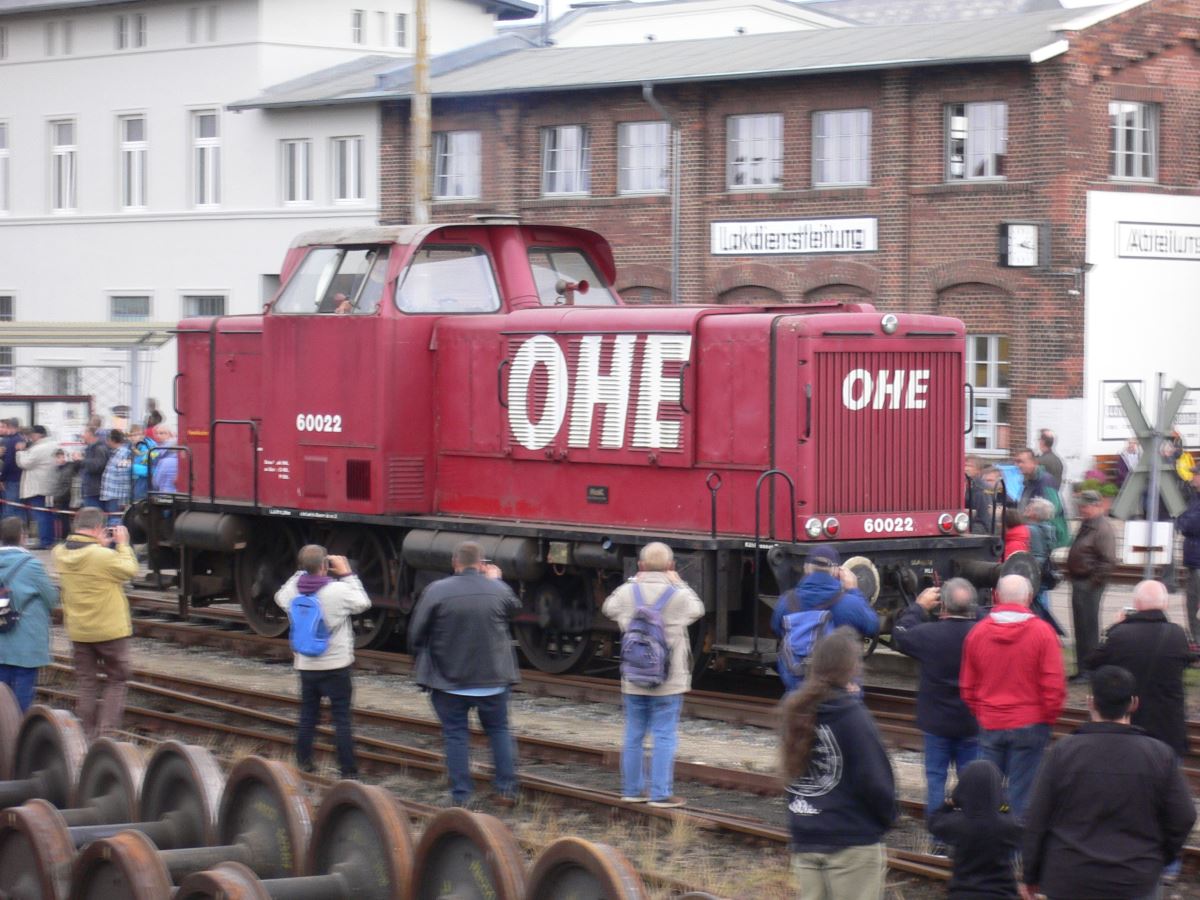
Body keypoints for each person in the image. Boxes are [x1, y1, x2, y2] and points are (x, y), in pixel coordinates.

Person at [1021, 666, 1196, 900]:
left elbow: (1036, 818)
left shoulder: (1063, 752)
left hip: (1069, 877)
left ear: (1091, 702)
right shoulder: (1160, 755)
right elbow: (1184, 816)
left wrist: (1030, 875)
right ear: (1133, 703)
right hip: (1135, 880)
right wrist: (1158, 857)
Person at [780, 627, 896, 900]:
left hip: (806, 835)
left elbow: (792, 773)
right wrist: (887, 819)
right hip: (850, 839)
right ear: (852, 667)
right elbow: (876, 781)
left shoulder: (795, 709)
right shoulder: (852, 715)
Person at [408, 541, 522, 807]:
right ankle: (506, 790)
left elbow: (416, 634)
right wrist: (497, 581)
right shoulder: (498, 589)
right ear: (482, 564)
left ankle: (462, 795)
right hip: (493, 680)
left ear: (454, 563)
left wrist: (420, 660)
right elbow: (515, 610)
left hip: (448, 680)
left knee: (455, 735)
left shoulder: (436, 590)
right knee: (499, 730)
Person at [602, 541, 705, 808]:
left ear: (641, 565)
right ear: (671, 566)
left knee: (634, 734)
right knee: (664, 736)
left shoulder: (628, 591)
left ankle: (632, 790)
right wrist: (679, 582)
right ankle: (660, 794)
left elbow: (608, 608)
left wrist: (632, 581)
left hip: (634, 677)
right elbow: (698, 609)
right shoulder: (678, 594)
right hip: (668, 680)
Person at [960, 573, 1065, 821]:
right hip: (1030, 723)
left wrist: (983, 712)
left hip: (991, 721)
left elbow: (967, 686)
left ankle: (986, 838)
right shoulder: (1043, 633)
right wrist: (1046, 719)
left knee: (986, 793)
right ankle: (1016, 841)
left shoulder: (978, 633)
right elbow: (1054, 685)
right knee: (1022, 795)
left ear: (996, 596)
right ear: (1029, 597)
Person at [273, 544, 371, 778]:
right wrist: (347, 573)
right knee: (341, 719)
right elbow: (363, 602)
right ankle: (348, 771)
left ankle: (304, 763)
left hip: (307, 666)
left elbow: (279, 596)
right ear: (325, 565)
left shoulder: (292, 591)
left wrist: (301, 570)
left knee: (308, 716)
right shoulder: (338, 591)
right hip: (337, 666)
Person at [891, 578, 979, 831]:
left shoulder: (928, 634)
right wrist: (972, 607)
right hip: (971, 721)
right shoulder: (982, 633)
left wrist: (918, 607)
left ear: (943, 606)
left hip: (936, 722)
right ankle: (970, 833)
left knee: (936, 780)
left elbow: (900, 633)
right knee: (972, 781)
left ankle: (937, 837)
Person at [52, 507, 138, 740]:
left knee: (87, 682)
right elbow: (130, 570)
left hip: (79, 631)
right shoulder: (102, 556)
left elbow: (87, 556)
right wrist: (123, 545)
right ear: (99, 528)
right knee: (117, 679)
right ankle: (106, 736)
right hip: (110, 631)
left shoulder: (59, 552)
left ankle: (87, 735)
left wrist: (99, 545)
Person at [1087, 580, 1191, 757]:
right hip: (1168, 729)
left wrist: (1116, 626)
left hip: (1129, 726)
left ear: (1136, 604)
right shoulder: (1178, 635)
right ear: (1165, 604)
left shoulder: (1120, 634)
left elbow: (1092, 662)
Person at [770, 543, 878, 690]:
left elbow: (777, 629)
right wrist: (854, 590)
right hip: (840, 690)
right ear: (836, 571)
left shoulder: (786, 601)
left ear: (806, 568)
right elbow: (872, 626)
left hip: (798, 688)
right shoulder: (850, 604)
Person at [928, 759, 1022, 899]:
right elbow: (1017, 826)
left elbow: (933, 822)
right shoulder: (1006, 825)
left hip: (962, 894)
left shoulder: (956, 823)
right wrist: (1003, 802)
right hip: (1002, 894)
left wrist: (951, 801)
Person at [0, 516, 59, 711]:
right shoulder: (32, 565)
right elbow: (51, 598)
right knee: (22, 693)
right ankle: (17, 727)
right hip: (26, 639)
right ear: (23, 536)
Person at [1065, 489, 1116, 680]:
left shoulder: (1102, 529)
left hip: (1089, 584)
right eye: (1080, 506)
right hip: (1081, 581)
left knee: (1088, 628)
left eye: (1085, 506)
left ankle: (1089, 670)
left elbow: (1108, 561)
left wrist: (1092, 582)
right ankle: (1082, 668)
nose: (1081, 509)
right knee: (1080, 628)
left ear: (1096, 506)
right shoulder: (1087, 525)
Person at [16, 425, 59, 550]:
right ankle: (49, 540)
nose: (30, 437)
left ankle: (45, 541)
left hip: (38, 486)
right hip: (49, 485)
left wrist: (20, 451)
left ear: (39, 435)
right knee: (47, 514)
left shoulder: (39, 448)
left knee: (41, 515)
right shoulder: (54, 445)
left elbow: (25, 463)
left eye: (32, 435)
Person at [1177, 466, 1200, 643]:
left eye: (1196, 474)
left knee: (1196, 605)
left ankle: (1198, 643)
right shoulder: (1194, 498)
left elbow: (1190, 524)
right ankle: (1195, 640)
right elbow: (1181, 519)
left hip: (1198, 561)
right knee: (1191, 605)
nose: (1193, 477)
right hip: (1193, 559)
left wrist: (1183, 520)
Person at [99, 430, 131, 525]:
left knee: (114, 521)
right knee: (111, 520)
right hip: (111, 495)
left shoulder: (124, 454)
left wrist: (123, 500)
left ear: (112, 440)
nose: (106, 442)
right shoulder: (115, 453)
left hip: (116, 497)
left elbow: (124, 478)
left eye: (108, 439)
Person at [78, 426, 111, 509]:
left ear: (90, 434)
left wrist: (82, 460)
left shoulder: (100, 449)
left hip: (96, 492)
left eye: (85, 432)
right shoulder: (89, 449)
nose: (82, 435)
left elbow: (97, 466)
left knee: (93, 515)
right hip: (90, 490)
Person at [1, 419, 25, 524]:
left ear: (9, 427)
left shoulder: (10, 441)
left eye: (3, 427)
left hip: (11, 479)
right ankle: (21, 531)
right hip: (19, 478)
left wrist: (2, 479)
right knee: (18, 508)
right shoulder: (21, 439)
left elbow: (9, 462)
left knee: (10, 509)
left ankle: (9, 532)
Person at [964, 455, 996, 534]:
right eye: (964, 465)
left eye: (970, 466)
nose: (965, 468)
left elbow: (984, 519)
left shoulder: (981, 490)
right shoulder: (964, 486)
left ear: (978, 470)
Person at [51, 448, 77, 540]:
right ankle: (61, 537)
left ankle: (64, 537)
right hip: (60, 497)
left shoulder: (67, 468)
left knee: (63, 519)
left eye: (62, 457)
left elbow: (65, 485)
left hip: (63, 498)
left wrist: (56, 498)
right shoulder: (58, 469)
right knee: (61, 519)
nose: (61, 459)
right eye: (58, 457)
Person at [128, 425, 156, 502]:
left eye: (135, 435)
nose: (132, 438)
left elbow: (152, 470)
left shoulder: (150, 449)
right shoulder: (132, 447)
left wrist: (131, 467)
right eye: (131, 435)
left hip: (144, 487)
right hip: (135, 486)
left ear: (143, 435)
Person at [150, 429, 178, 493]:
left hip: (165, 493)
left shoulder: (164, 461)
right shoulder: (184, 461)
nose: (158, 435)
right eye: (156, 433)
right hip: (180, 493)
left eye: (162, 433)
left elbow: (156, 482)